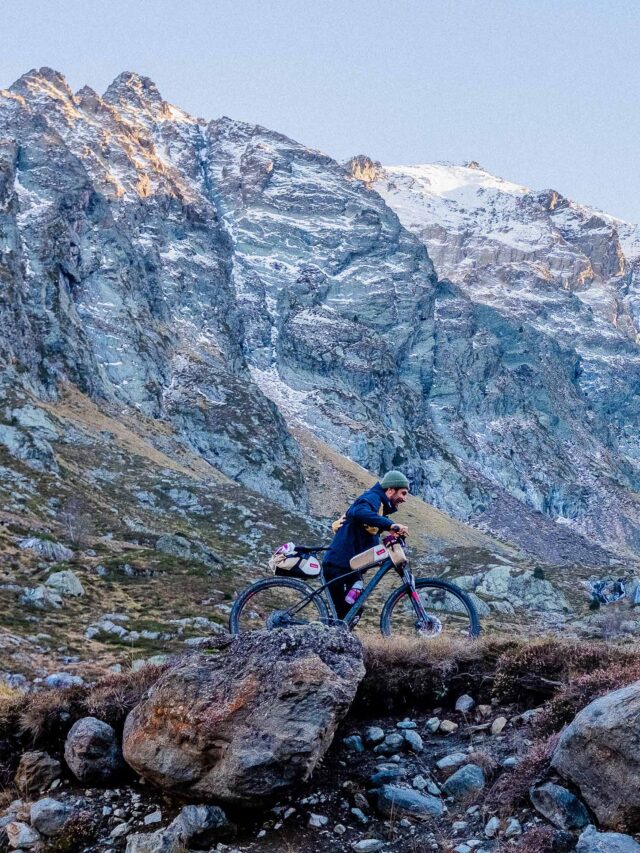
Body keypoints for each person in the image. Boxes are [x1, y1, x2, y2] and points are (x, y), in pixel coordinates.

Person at [323, 470, 410, 621]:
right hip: (338, 565)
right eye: (403, 493)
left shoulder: (379, 507)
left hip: (349, 567)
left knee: (352, 611)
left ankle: (337, 637)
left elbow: (370, 523)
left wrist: (390, 531)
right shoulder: (372, 497)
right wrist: (390, 525)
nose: (404, 498)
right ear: (390, 490)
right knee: (344, 614)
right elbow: (359, 511)